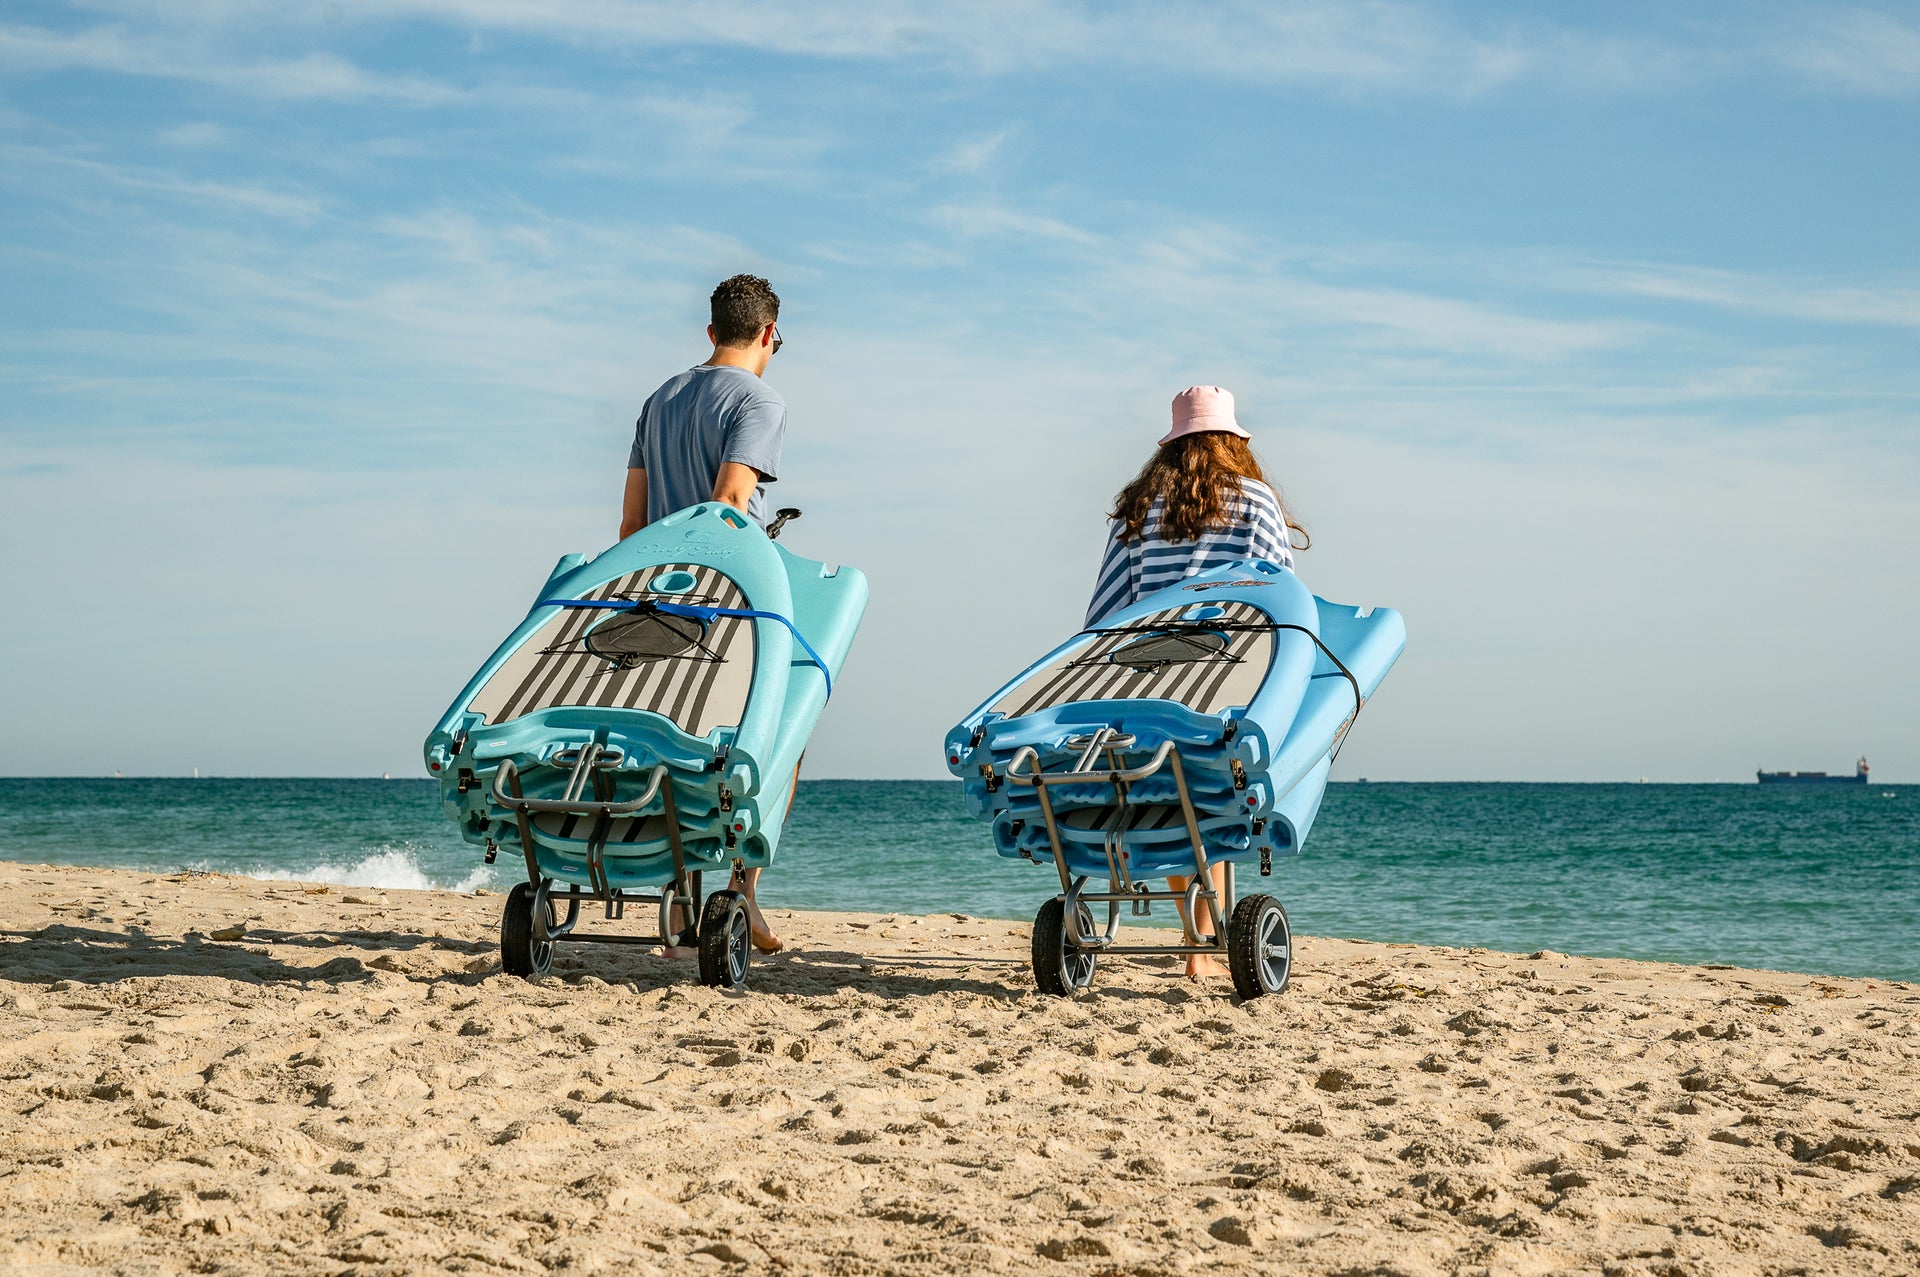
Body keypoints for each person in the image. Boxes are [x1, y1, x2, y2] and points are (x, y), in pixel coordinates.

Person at [1086, 386, 1307, 978]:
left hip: (1147, 672)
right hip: (1225, 669)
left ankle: (1193, 935)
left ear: (1172, 445)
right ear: (1232, 442)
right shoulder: (1254, 500)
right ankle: (1200, 946)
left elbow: (1107, 609)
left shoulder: (1138, 509)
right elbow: (1279, 590)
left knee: (1170, 796)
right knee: (1215, 797)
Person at [621, 273, 789, 955]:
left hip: (653, 596)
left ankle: (679, 902)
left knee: (676, 740)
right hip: (725, 599)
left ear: (713, 331)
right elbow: (728, 505)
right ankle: (742, 893)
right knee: (775, 737)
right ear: (769, 334)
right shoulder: (759, 399)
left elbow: (631, 525)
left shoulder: (659, 399)